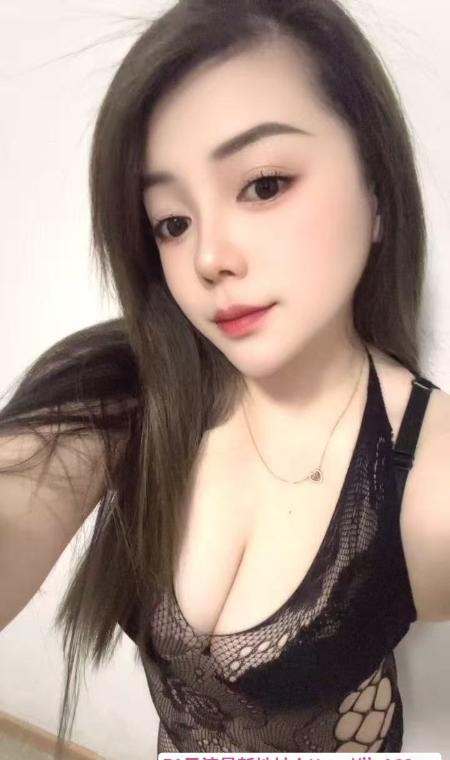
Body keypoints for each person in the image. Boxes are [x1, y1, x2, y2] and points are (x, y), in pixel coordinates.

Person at [0, 0, 449, 756]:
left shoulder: (426, 469)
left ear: (376, 192)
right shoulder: (127, 386)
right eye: (171, 222)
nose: (208, 257)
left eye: (264, 184)